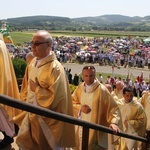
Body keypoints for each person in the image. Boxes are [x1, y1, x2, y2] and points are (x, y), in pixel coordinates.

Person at [14, 30, 75, 149]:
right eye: (32, 43)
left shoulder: (55, 68)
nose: (32, 46)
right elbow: (26, 88)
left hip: (47, 120)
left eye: (37, 43)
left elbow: (57, 98)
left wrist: (37, 89)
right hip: (31, 113)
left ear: (48, 44)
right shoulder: (32, 63)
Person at [72, 65, 122, 150]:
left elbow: (113, 108)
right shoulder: (80, 88)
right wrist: (80, 108)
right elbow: (72, 101)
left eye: (91, 76)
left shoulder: (101, 90)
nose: (88, 79)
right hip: (80, 127)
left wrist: (114, 122)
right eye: (86, 76)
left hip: (95, 130)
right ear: (82, 76)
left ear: (95, 75)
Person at [0, 34, 21, 149]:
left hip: (1, 84)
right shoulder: (1, 43)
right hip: (3, 82)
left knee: (2, 116)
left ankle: (8, 136)